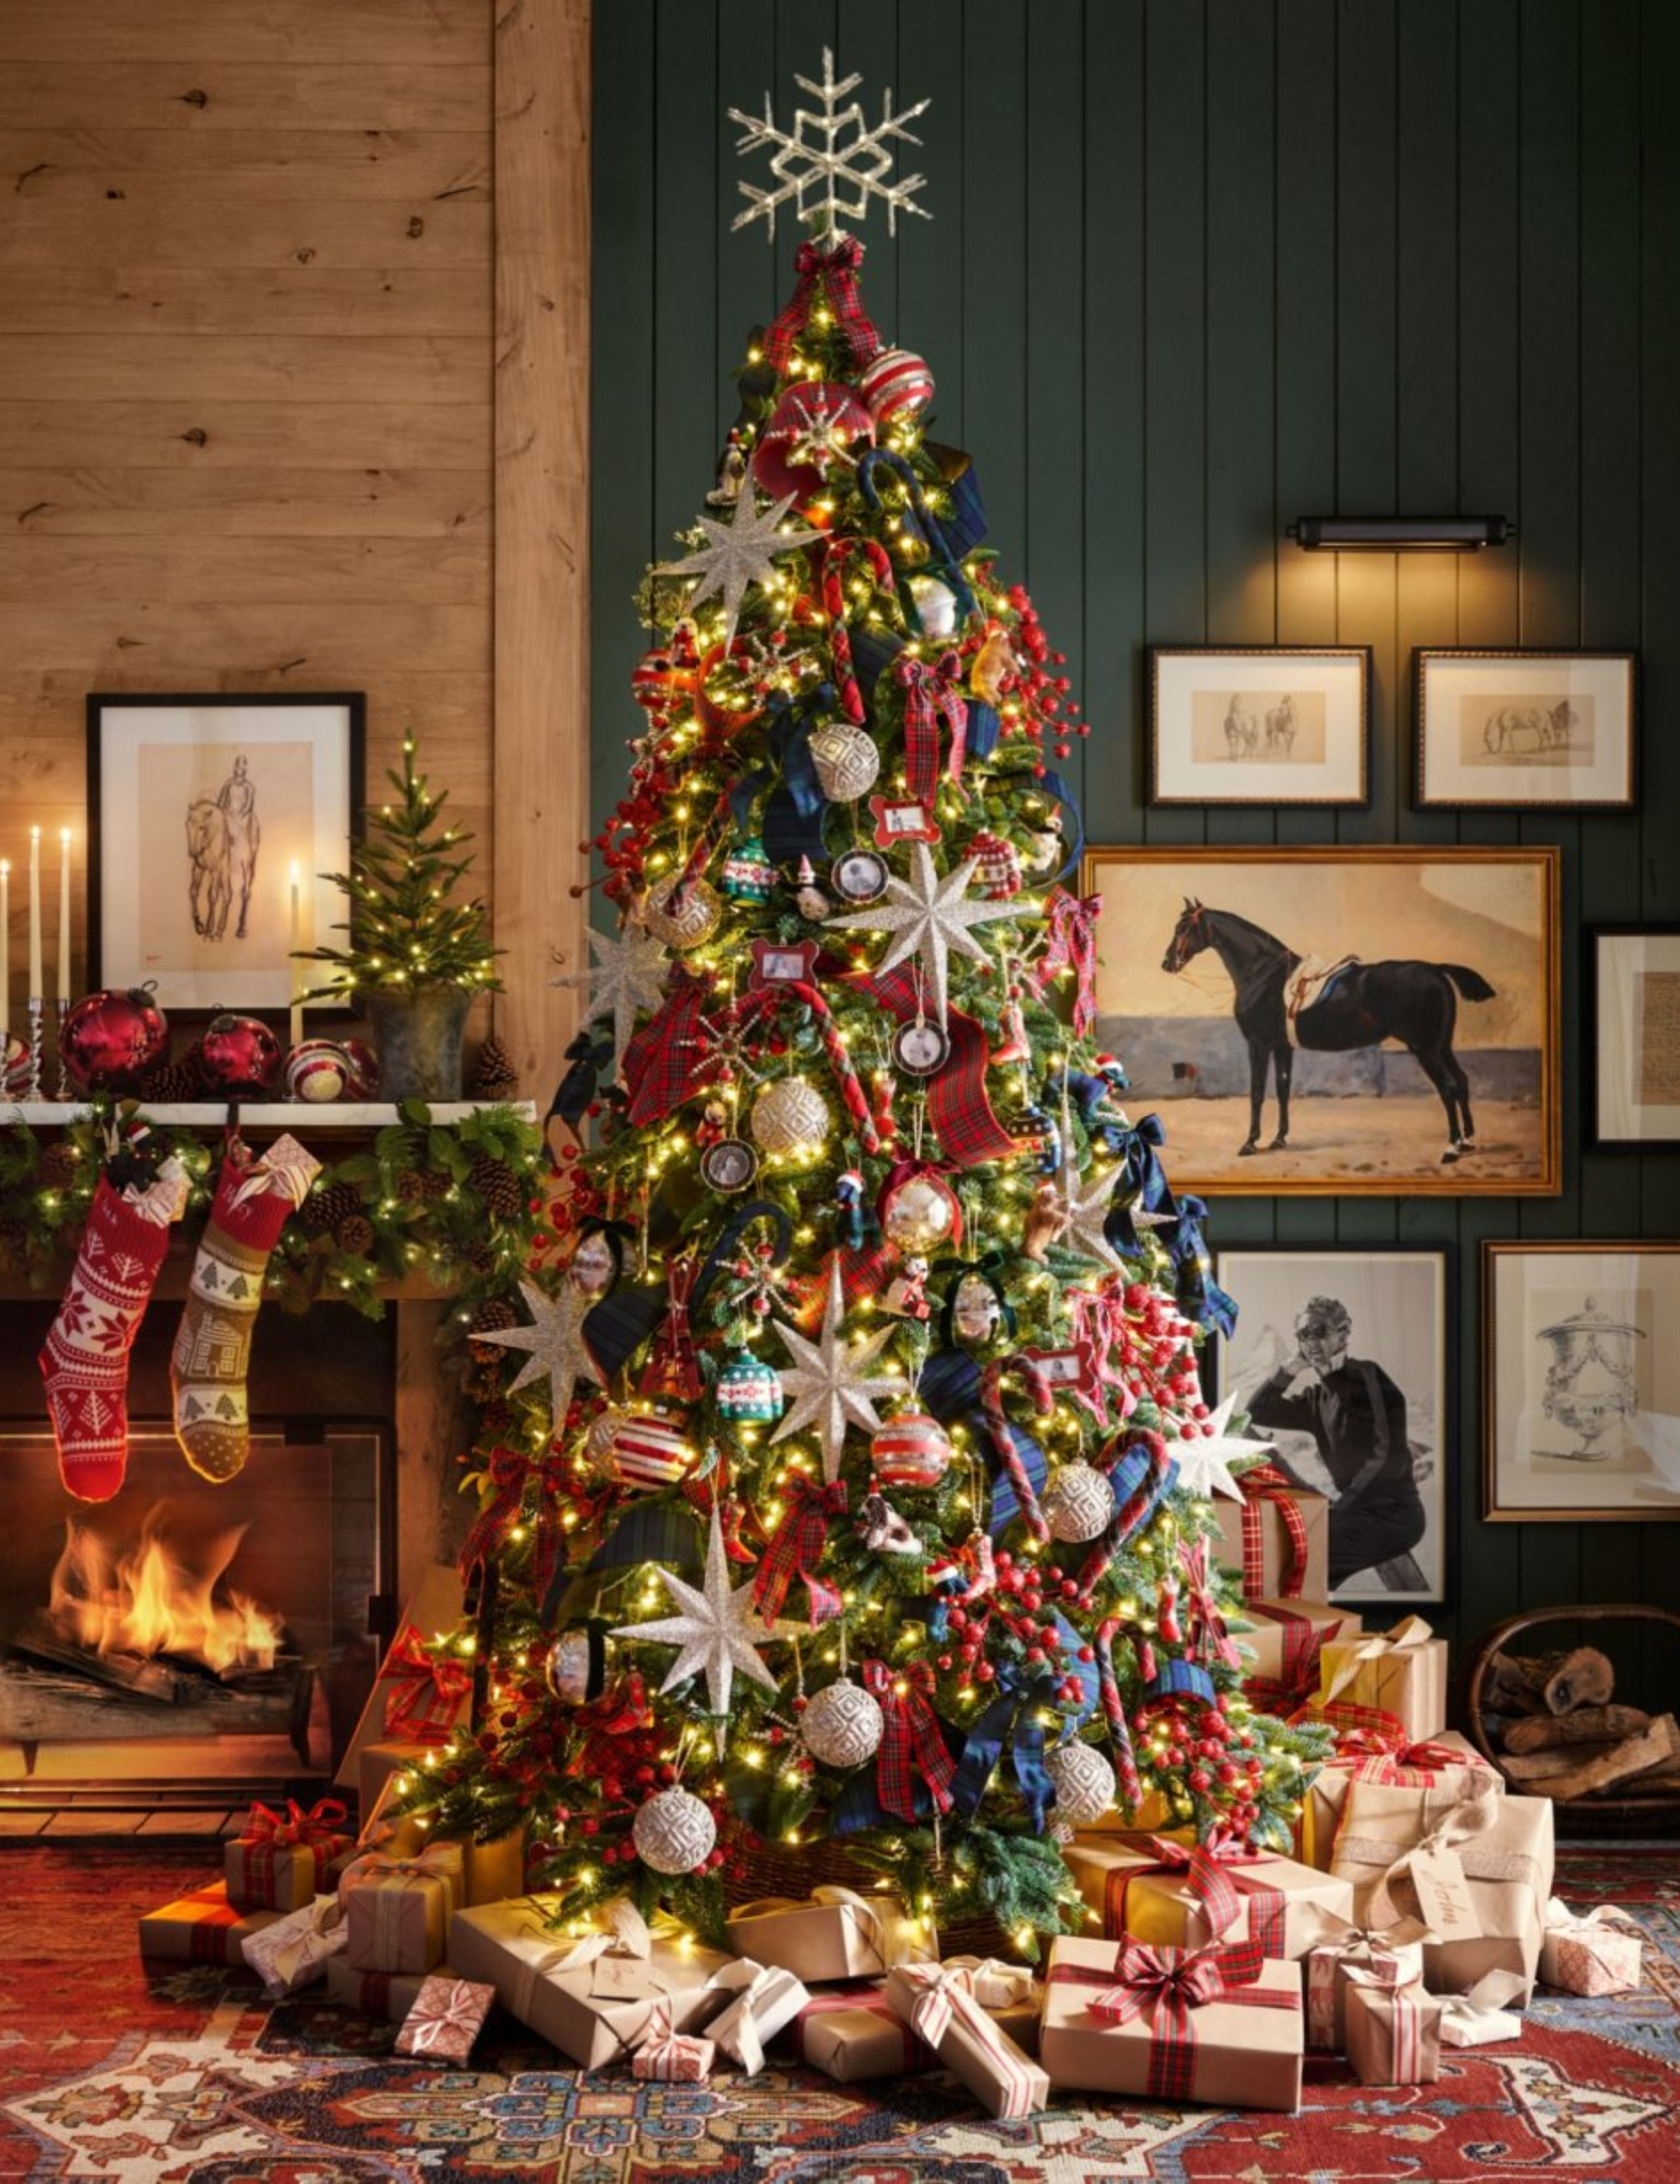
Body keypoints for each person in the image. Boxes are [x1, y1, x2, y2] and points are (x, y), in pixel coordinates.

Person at [1242, 1294, 1425, 1588]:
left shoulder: (1368, 1376)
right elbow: (1257, 1412)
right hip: (1357, 1513)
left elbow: (1384, 1455)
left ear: (1342, 1333)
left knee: (1302, 1562)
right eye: (1304, 1334)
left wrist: (1341, 1510)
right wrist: (1290, 1368)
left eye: (1320, 1331)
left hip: (1393, 1514)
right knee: (1302, 1568)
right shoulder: (1318, 1399)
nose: (1311, 1340)